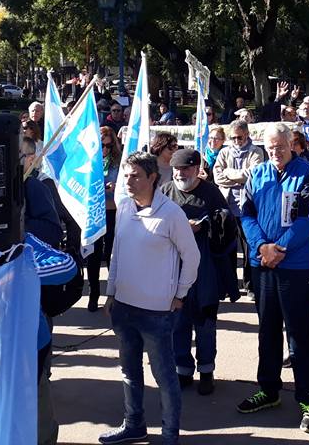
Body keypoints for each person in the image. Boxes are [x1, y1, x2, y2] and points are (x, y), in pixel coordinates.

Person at [101, 152, 199, 445]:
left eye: (135, 176)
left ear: (152, 178)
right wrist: (111, 293)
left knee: (164, 377)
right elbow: (116, 252)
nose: (128, 182)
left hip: (157, 312)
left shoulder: (171, 214)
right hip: (124, 308)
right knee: (129, 371)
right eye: (126, 176)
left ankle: (170, 434)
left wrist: (180, 294)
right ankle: (134, 425)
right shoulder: (123, 208)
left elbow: (192, 257)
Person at [236, 123, 309, 434]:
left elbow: (307, 219)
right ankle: (269, 390)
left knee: (300, 335)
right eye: (270, 147)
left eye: (281, 146)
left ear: (292, 144)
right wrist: (261, 246)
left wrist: (280, 248)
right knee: (267, 331)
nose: (275, 152)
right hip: (263, 264)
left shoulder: (307, 173)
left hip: (294, 267)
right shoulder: (256, 174)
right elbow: (245, 214)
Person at [160, 149, 228, 395]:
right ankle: (183, 369)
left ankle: (207, 370)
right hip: (173, 270)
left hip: (205, 269)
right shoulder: (165, 192)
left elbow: (226, 222)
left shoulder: (211, 193)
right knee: (178, 321)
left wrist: (205, 225)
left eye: (186, 169)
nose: (180, 174)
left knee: (205, 321)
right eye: (176, 169)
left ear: (197, 168)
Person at [213, 120, 265, 294]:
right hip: (227, 206)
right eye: (233, 138)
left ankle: (250, 285)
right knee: (228, 248)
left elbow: (253, 175)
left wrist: (229, 172)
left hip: (248, 207)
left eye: (239, 137)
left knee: (250, 247)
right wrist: (239, 176)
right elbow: (217, 176)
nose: (236, 141)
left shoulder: (256, 152)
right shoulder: (224, 152)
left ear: (247, 135)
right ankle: (230, 285)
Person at [85, 126, 122, 312]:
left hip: (112, 211)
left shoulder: (117, 162)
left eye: (108, 145)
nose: (105, 149)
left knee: (111, 254)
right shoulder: (89, 161)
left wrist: (115, 185)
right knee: (94, 254)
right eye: (101, 145)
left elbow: (125, 185)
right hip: (94, 212)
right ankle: (93, 294)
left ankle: (112, 293)